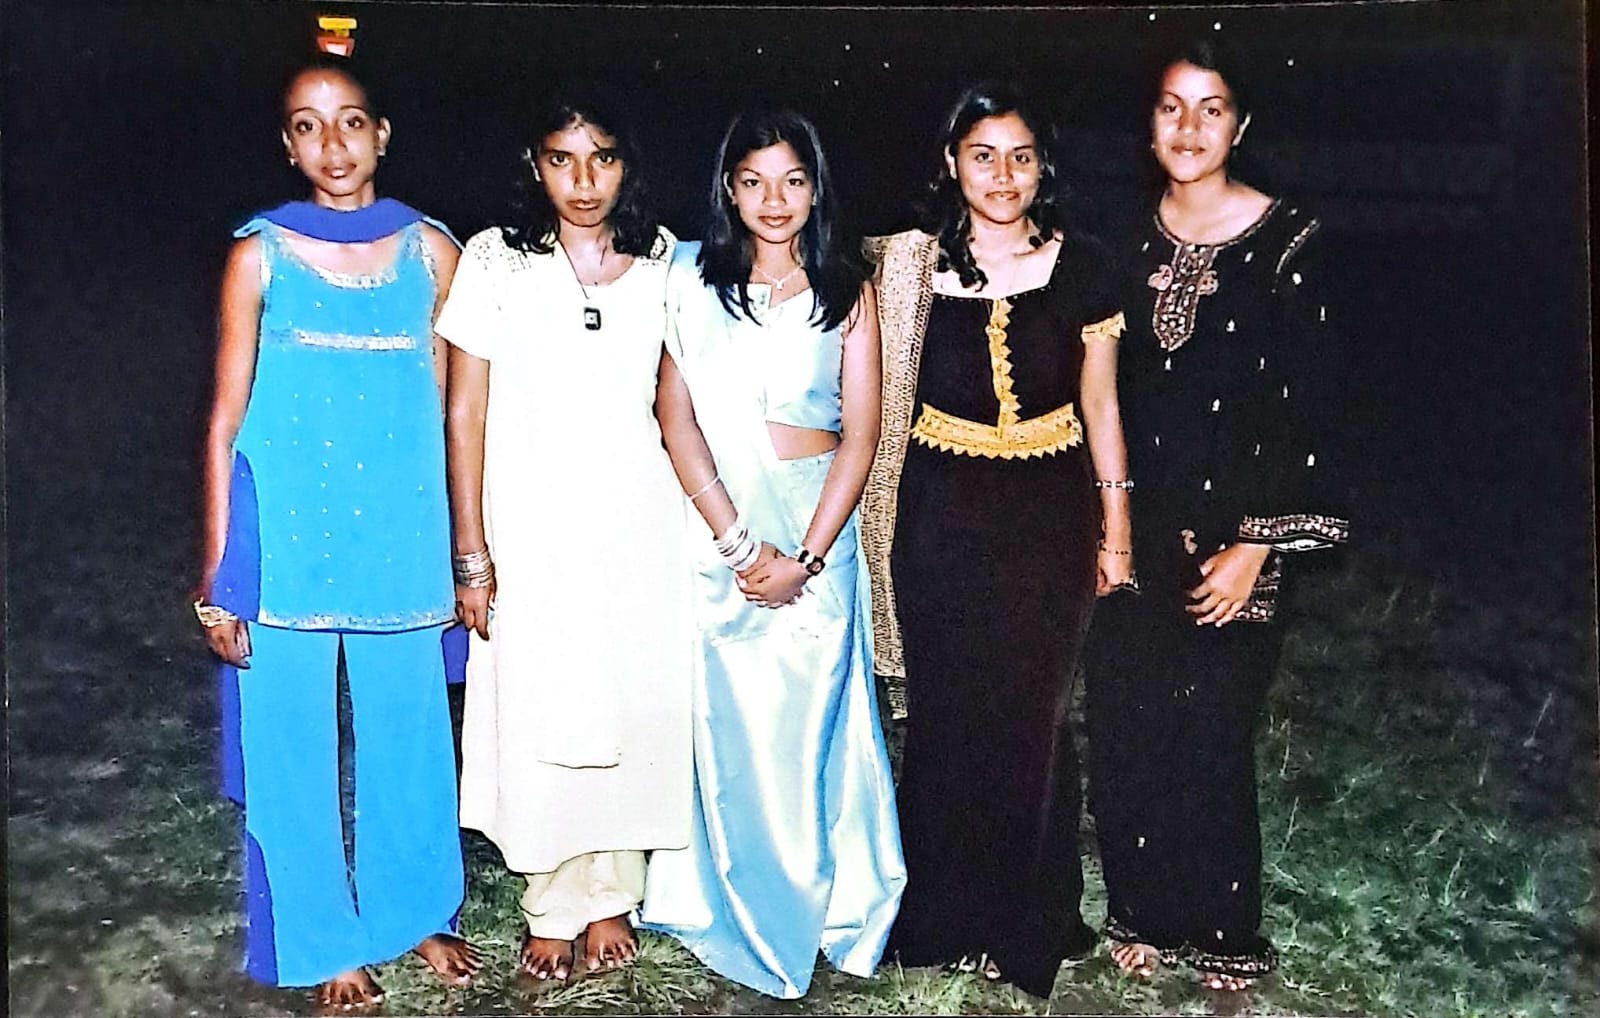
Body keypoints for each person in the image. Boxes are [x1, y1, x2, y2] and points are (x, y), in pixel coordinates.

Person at [194, 53, 480, 1010]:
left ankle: (416, 912)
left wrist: (466, 544)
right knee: (291, 748)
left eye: (351, 120)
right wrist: (218, 571)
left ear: (382, 134)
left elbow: (456, 410)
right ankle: (321, 940)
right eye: (308, 126)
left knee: (410, 738)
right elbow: (225, 418)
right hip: (288, 543)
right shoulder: (259, 255)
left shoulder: (433, 253)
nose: (334, 144)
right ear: (288, 145)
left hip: (402, 538)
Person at [1082, 38, 1349, 992]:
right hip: (1133, 522)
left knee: (1209, 730)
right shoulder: (1118, 239)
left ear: (1241, 124)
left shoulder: (1291, 243)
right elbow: (1096, 386)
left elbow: (1310, 411)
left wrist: (1257, 548)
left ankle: (1224, 926)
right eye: (1171, 106)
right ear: (1149, 123)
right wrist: (1107, 526)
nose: (1189, 127)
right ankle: (1141, 911)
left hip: (1235, 537)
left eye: (1211, 107)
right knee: (1127, 722)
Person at [859, 83, 1134, 998]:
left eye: (1021, 156)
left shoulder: (1083, 263)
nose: (1003, 175)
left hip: (1049, 514)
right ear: (952, 163)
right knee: (945, 715)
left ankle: (1027, 920)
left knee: (1032, 716)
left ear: (1043, 165)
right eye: (983, 156)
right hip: (938, 515)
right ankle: (943, 918)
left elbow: (1101, 404)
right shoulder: (906, 267)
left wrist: (1117, 530)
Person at [637, 108, 906, 999]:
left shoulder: (847, 289)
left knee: (814, 724)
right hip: (723, 526)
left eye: (792, 180)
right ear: (729, 189)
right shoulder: (692, 283)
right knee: (735, 728)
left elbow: (862, 434)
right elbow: (675, 415)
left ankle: (835, 903)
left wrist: (807, 556)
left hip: (815, 527)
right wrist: (736, 538)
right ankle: (738, 905)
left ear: (816, 188)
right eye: (754, 181)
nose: (774, 200)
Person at [435, 89, 693, 983]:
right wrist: (471, 550)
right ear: (533, 165)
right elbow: (463, 411)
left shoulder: (664, 259)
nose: (583, 182)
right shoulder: (495, 259)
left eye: (602, 159)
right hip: (529, 522)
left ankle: (612, 891)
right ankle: (551, 900)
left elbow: (680, 399)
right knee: (542, 705)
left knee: (626, 702)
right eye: (561, 159)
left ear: (629, 165)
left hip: (638, 520)